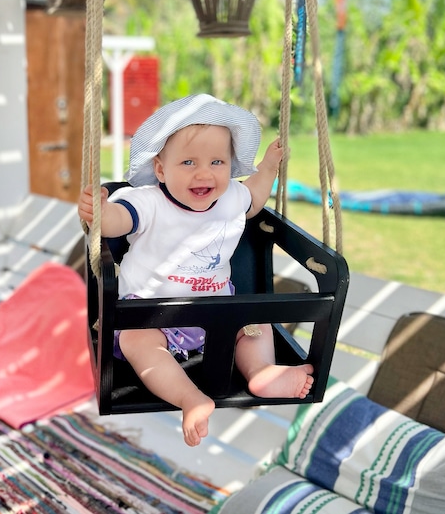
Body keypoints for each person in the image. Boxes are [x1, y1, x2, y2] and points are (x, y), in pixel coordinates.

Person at [79, 94, 314, 447]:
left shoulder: (232, 197)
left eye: (217, 161)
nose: (204, 173)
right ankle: (190, 398)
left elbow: (254, 197)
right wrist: (99, 213)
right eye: (188, 162)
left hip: (217, 312)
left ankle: (262, 372)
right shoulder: (148, 202)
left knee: (255, 325)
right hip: (151, 315)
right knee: (136, 343)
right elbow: (117, 222)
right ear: (160, 170)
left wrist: (266, 169)